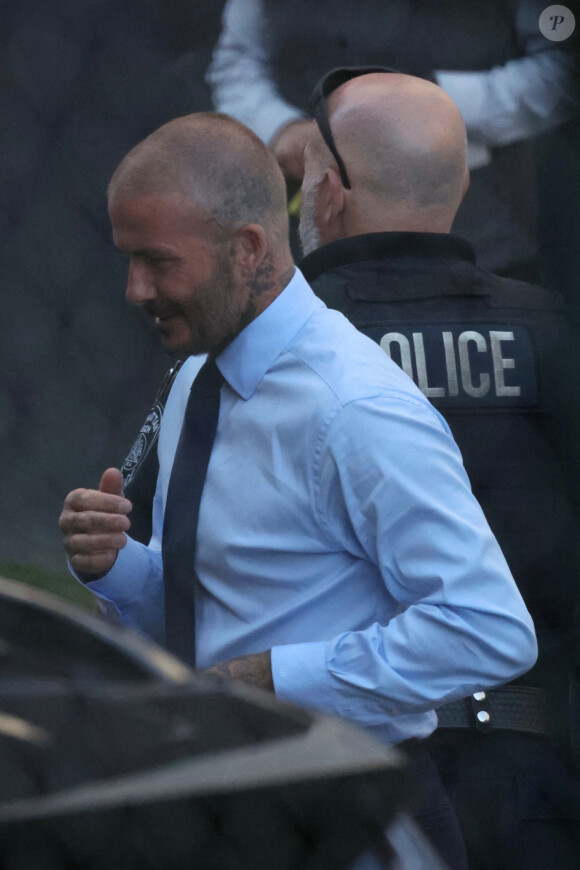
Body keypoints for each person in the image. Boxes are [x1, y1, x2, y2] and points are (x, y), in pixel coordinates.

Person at [59, 111, 537, 869]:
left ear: (247, 249)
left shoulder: (354, 408)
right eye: (127, 261)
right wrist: (117, 565)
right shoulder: (196, 376)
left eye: (156, 261)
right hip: (220, 809)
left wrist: (274, 678)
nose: (133, 289)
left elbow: (488, 627)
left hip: (349, 816)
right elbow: (211, 613)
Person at [297, 67, 580, 869]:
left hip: (337, 779)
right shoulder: (551, 336)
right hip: (538, 783)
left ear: (328, 196)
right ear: (459, 184)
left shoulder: (269, 353)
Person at [207, 0, 578, 281]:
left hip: (481, 231)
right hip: (303, 241)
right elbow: (238, 59)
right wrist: (282, 129)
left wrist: (421, 112)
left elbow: (562, 68)